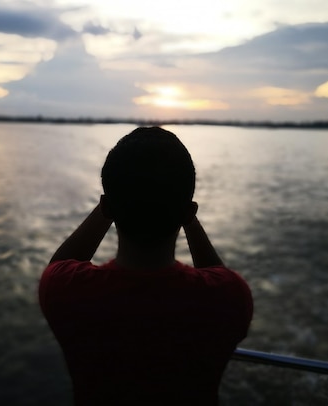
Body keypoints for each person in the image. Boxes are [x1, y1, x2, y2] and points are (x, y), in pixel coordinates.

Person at [39, 127, 253, 405]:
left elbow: (59, 264)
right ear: (188, 212)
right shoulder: (229, 298)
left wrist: (111, 206)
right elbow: (218, 276)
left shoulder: (66, 290)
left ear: (107, 208)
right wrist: (187, 216)